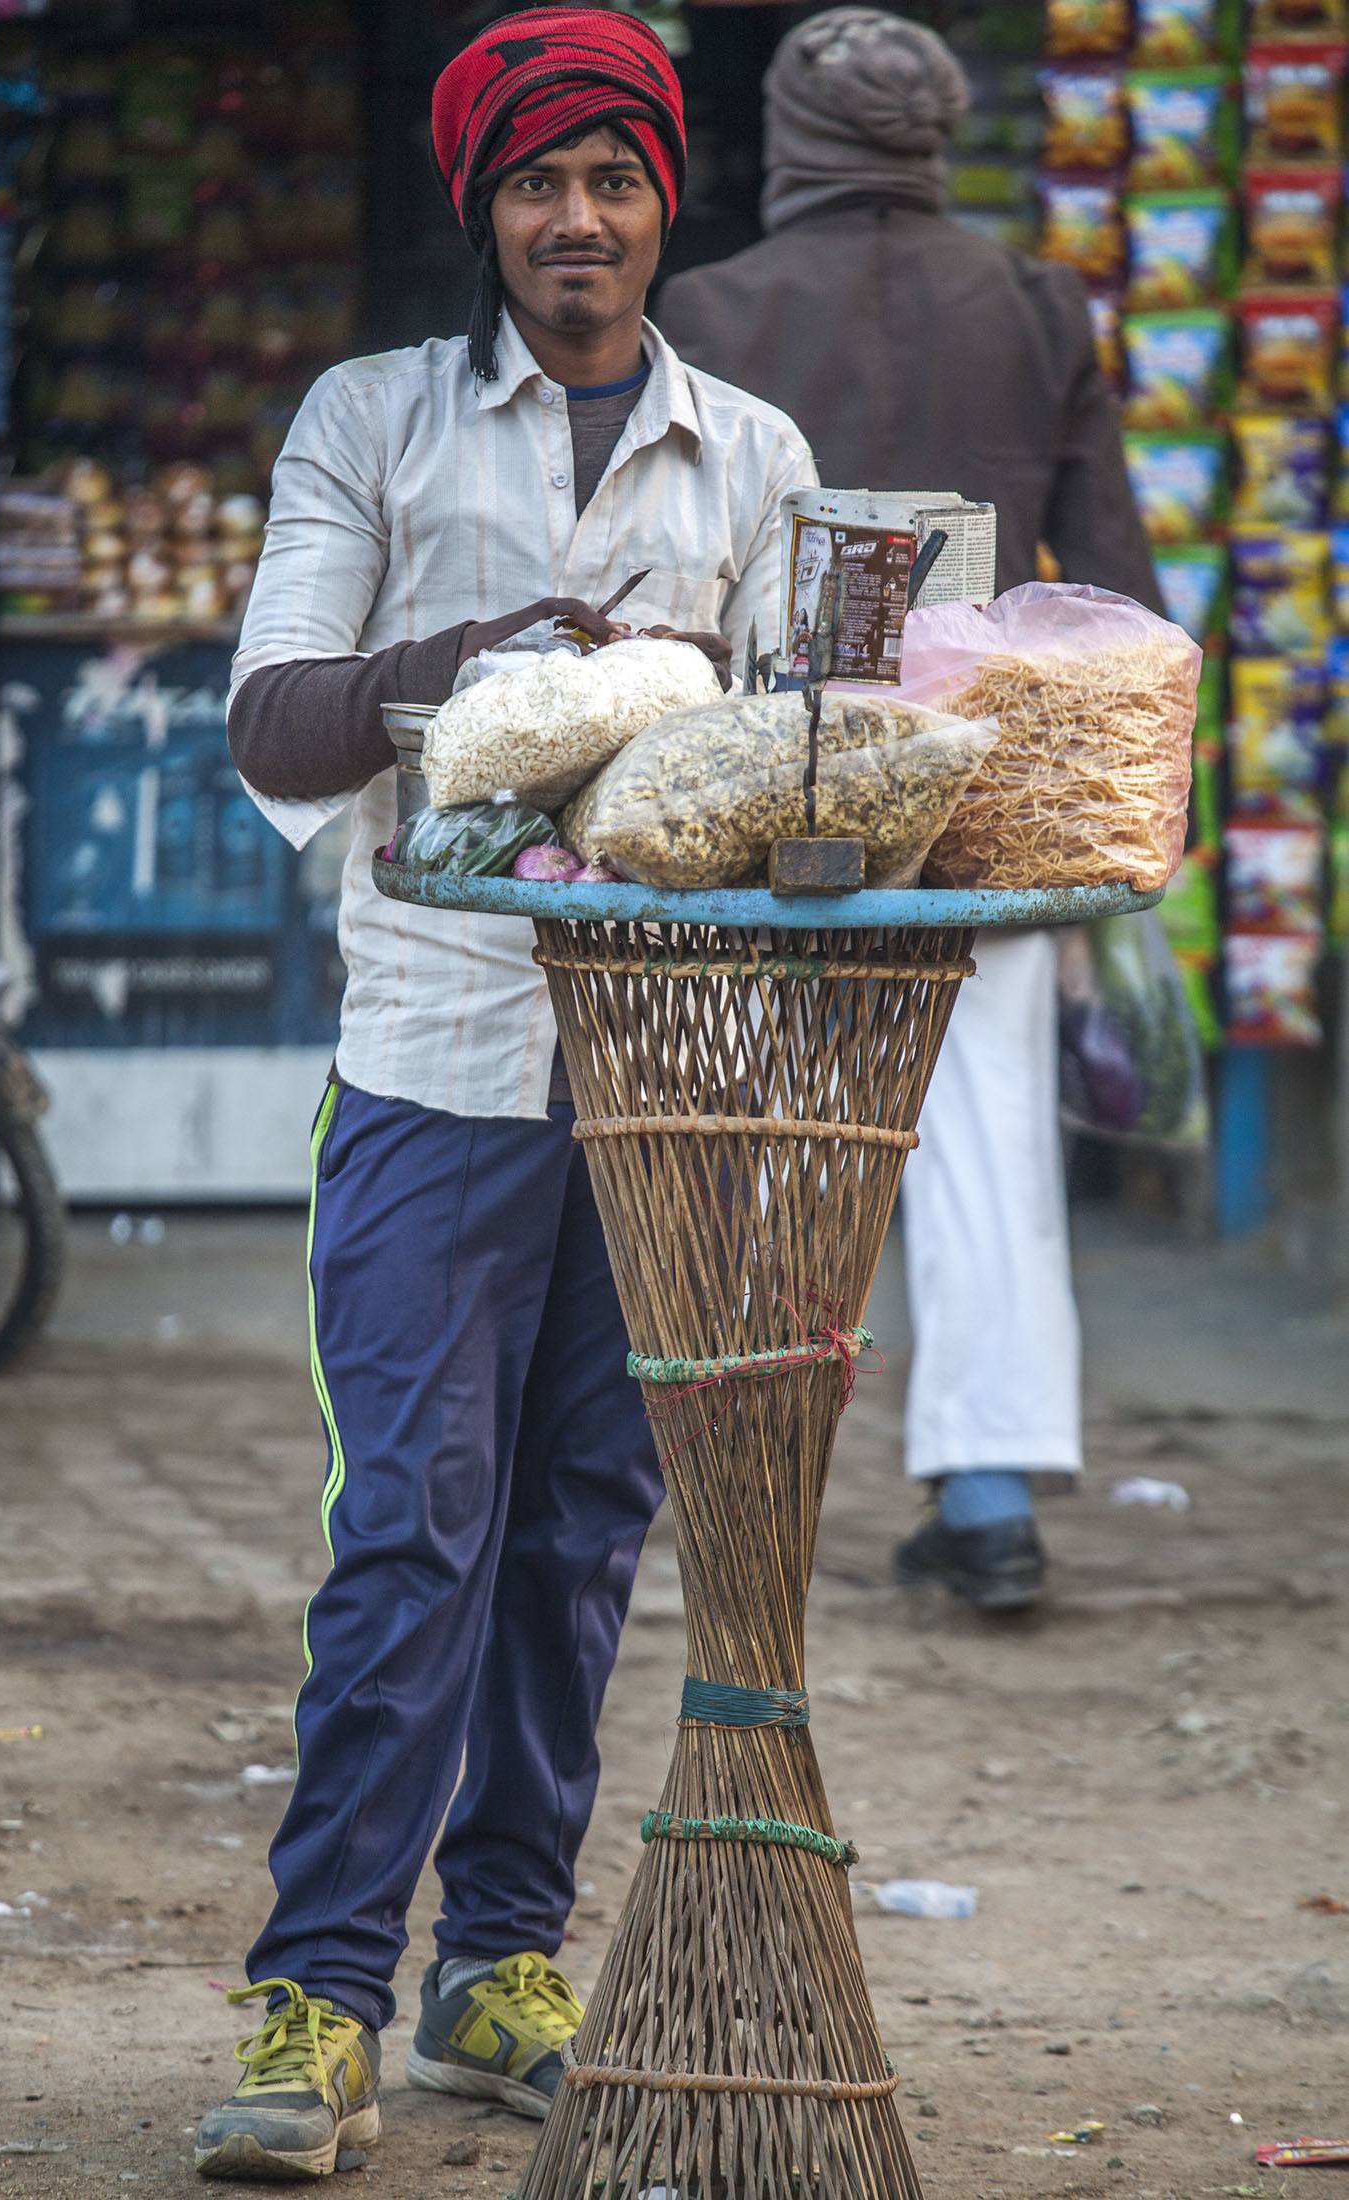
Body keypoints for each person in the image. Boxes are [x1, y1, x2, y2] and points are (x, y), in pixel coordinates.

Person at [192, 8, 814, 2181]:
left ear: (665, 204)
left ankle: (502, 1965)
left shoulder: (751, 455)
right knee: (415, 1527)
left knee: (576, 1536)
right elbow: (273, 724)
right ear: (483, 208)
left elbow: (807, 763)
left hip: (660, 1084)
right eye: (538, 183)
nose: (577, 220)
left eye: (612, 181)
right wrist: (458, 677)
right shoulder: (371, 421)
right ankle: (319, 1987)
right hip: (436, 1066)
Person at [659, 5, 1164, 1614]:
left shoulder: (710, 306)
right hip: (983, 798)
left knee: (762, 1137)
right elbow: (1117, 592)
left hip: (770, 791)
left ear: (791, 140)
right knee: (988, 1146)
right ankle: (994, 1497)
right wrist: (1133, 811)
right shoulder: (1030, 303)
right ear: (936, 134)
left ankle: (746, 1479)